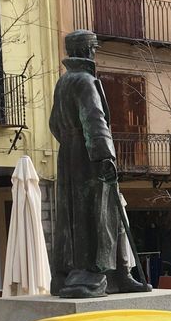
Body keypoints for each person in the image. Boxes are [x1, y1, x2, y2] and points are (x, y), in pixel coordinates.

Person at [49, 30, 150, 298]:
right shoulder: (85, 81)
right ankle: (93, 275)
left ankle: (119, 275)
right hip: (90, 155)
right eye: (94, 47)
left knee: (88, 215)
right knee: (98, 215)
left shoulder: (64, 82)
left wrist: (70, 145)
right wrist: (104, 155)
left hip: (70, 154)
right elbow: (94, 120)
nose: (95, 52)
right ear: (85, 50)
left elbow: (54, 124)